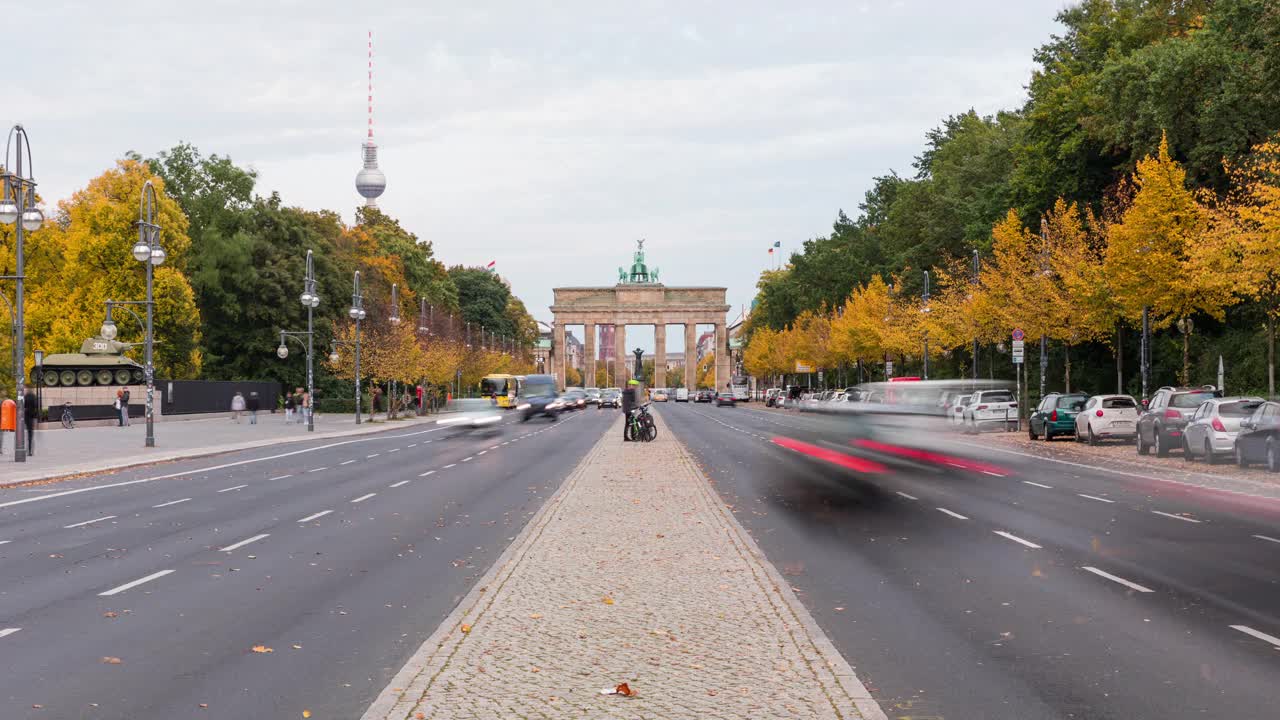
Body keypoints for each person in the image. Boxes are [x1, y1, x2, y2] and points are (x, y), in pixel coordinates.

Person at [23, 389, 37, 456]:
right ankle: (30, 451)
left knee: (27, 433)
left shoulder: (25, 396)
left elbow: (24, 405)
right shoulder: (34, 396)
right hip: (32, 417)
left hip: (26, 416)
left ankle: (28, 449)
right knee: (31, 434)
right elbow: (36, 406)